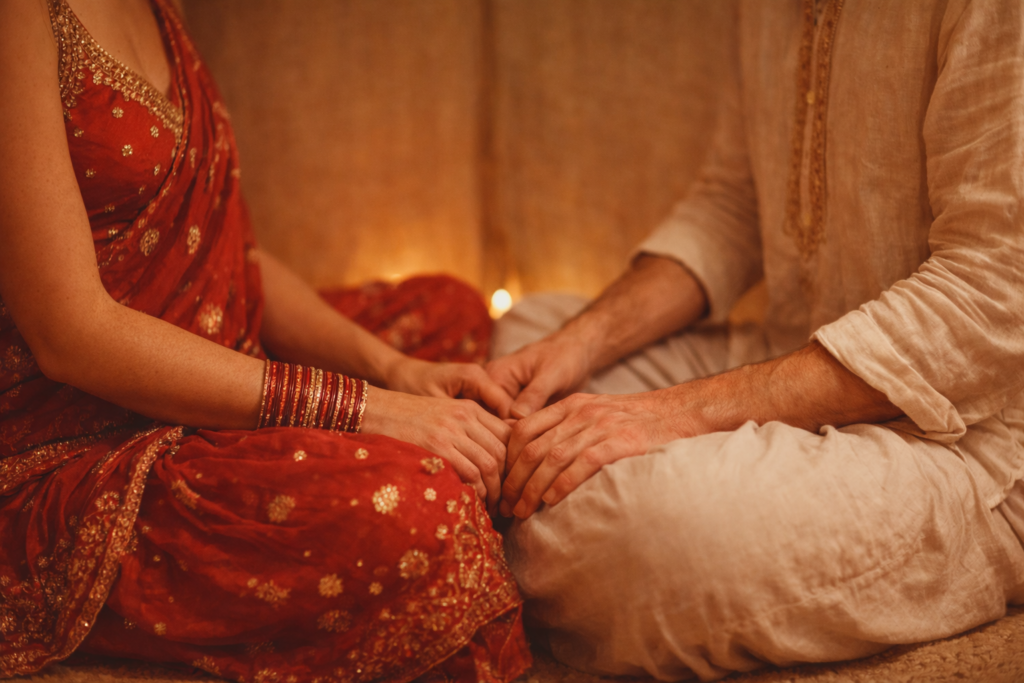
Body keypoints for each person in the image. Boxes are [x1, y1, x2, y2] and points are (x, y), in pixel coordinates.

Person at [487, 0, 1024, 680]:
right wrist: (581, 342)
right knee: (529, 337)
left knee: (636, 531)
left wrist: (668, 414)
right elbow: (732, 206)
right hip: (791, 351)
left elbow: (996, 289)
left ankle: (515, 523)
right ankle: (534, 512)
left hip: (971, 442)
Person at [0, 1, 531, 681]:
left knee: (450, 313)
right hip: (78, 440)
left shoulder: (162, 5)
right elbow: (71, 336)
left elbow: (237, 260)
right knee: (426, 508)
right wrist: (367, 406)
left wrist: (396, 370)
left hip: (213, 364)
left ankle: (328, 444)